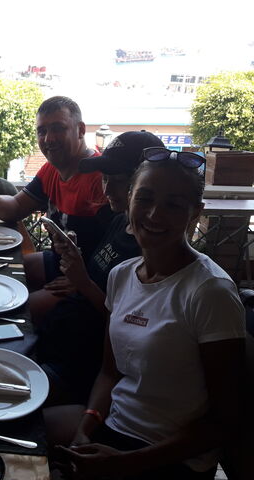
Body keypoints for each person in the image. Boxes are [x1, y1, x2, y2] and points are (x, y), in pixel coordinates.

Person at [44, 148, 246, 480]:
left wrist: (125, 463)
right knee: (19, 433)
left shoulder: (211, 292)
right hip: (114, 426)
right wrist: (85, 428)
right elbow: (110, 373)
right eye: (145, 199)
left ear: (195, 213)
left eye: (173, 205)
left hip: (172, 457)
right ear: (129, 200)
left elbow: (226, 420)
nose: (154, 214)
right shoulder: (121, 275)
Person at [33, 131, 163, 405]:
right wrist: (75, 268)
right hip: (57, 338)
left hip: (78, 366)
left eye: (118, 181)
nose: (106, 190)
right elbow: (97, 278)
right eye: (104, 179)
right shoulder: (119, 222)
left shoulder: (149, 250)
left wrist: (83, 283)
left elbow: (127, 325)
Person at [0, 96, 111, 268]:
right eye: (42, 131)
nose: (48, 139)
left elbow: (118, 250)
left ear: (81, 130)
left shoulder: (101, 178)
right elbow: (16, 207)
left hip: (89, 273)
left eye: (58, 128)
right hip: (60, 262)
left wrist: (81, 280)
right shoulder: (51, 169)